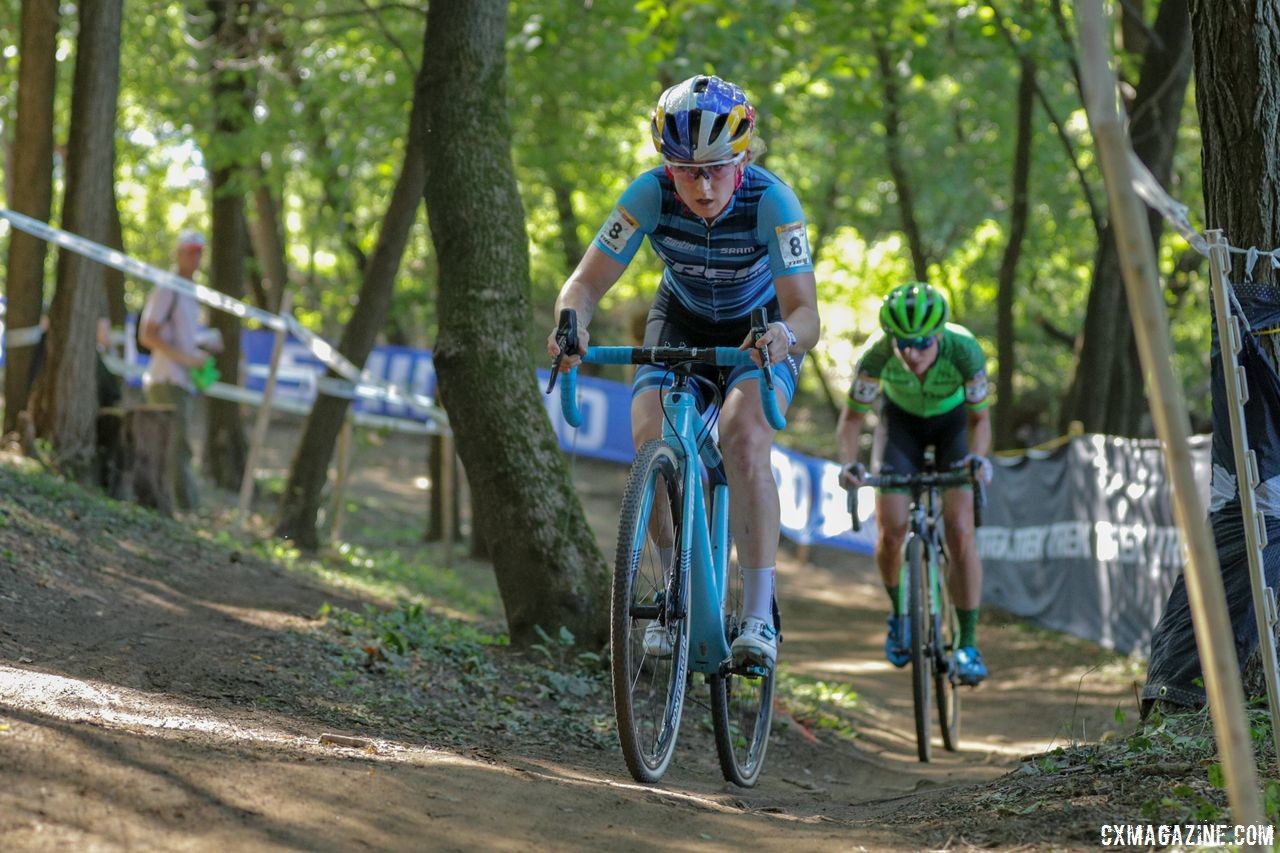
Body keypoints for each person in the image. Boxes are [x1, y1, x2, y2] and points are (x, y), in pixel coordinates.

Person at [547, 75, 820, 671]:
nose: (701, 184)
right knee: (650, 432)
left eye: (717, 168)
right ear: (665, 166)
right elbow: (585, 283)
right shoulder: (647, 195)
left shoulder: (774, 203)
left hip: (759, 328)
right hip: (681, 320)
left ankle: (757, 615)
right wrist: (571, 324)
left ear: (743, 157)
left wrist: (784, 337)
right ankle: (673, 589)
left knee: (745, 437)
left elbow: (806, 313)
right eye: (684, 168)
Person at [836, 282, 993, 685]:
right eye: (903, 342)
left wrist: (978, 459)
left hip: (952, 425)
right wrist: (849, 464)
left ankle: (968, 643)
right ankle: (899, 614)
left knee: (959, 530)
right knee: (891, 531)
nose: (912, 352)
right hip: (900, 425)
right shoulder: (876, 354)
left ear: (939, 333)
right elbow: (852, 419)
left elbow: (980, 420)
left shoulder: (965, 350)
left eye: (922, 342)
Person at [138, 229, 222, 510]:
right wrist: (186, 359)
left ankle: (179, 506)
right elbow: (147, 334)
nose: (195, 258)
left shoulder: (191, 292)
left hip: (181, 382)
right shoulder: (168, 288)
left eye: (199, 252)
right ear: (178, 253)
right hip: (165, 381)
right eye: (190, 252)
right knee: (175, 448)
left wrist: (203, 345)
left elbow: (181, 338)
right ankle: (184, 509)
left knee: (178, 447)